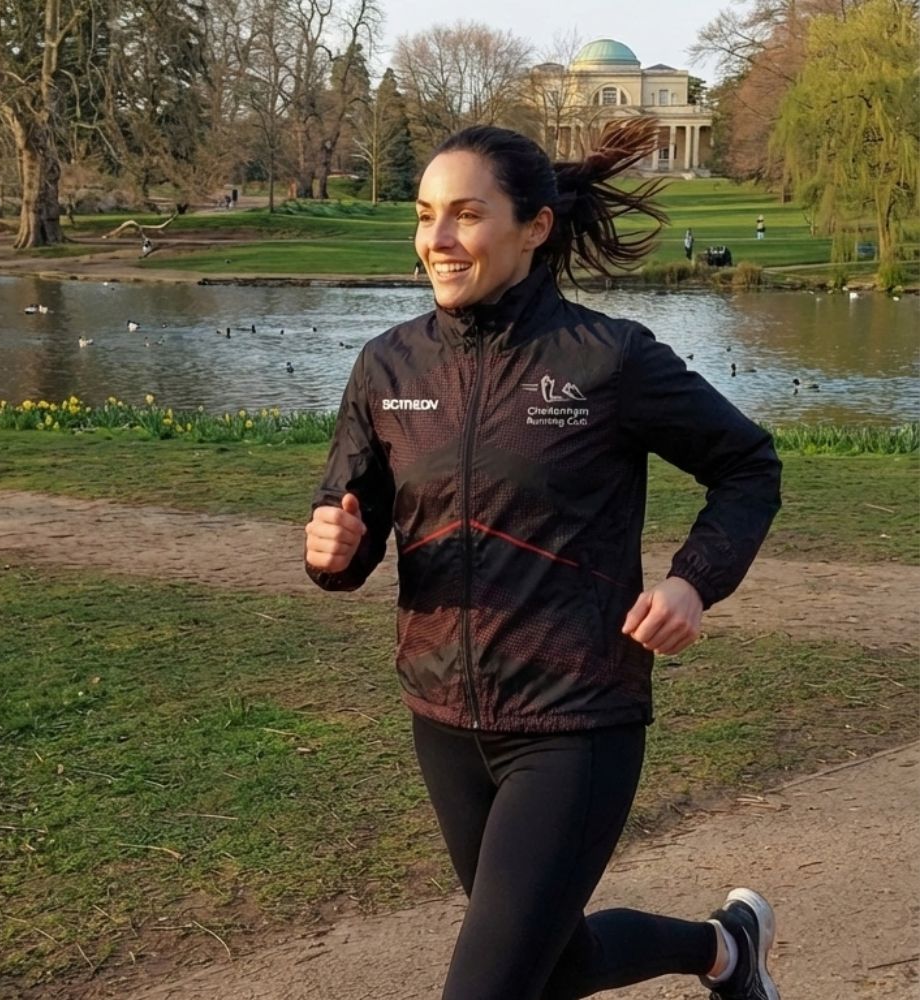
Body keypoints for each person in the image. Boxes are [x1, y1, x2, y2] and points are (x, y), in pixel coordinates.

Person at [304, 119, 782, 1000]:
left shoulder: (608, 359)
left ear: (535, 227)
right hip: (443, 716)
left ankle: (729, 952)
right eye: (424, 217)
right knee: (555, 962)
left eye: (465, 215)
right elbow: (352, 520)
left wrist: (692, 581)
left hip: (575, 721)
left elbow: (748, 467)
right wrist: (333, 550)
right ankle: (727, 951)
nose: (437, 241)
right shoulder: (388, 365)